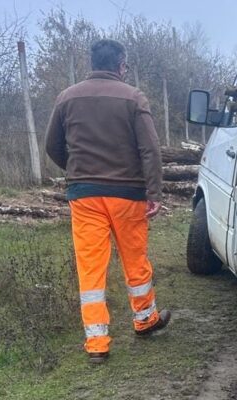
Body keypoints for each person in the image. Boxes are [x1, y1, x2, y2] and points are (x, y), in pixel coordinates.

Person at [45, 39, 171, 365]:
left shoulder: (66, 97)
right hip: (128, 195)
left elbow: (53, 146)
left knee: (90, 269)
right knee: (135, 261)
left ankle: (97, 344)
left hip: (84, 197)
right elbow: (150, 150)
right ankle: (144, 320)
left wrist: (77, 172)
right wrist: (153, 193)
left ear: (92, 62)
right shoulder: (133, 98)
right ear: (121, 65)